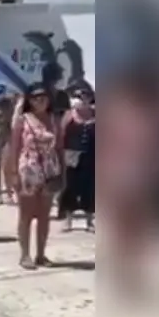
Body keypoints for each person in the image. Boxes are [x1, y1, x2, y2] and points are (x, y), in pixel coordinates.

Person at [9, 82, 64, 270]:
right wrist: (13, 174)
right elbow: (14, 148)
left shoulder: (54, 120)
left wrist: (62, 173)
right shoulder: (22, 120)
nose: (40, 100)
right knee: (26, 214)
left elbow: (59, 148)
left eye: (43, 96)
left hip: (49, 169)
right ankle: (25, 254)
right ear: (29, 100)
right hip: (28, 170)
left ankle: (41, 254)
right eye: (35, 96)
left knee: (44, 215)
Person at [59, 86, 96, 232]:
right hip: (71, 156)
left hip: (92, 155)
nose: (83, 100)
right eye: (80, 97)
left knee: (91, 188)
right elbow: (61, 134)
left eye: (85, 96)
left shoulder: (96, 114)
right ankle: (68, 220)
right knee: (70, 187)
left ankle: (89, 221)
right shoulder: (69, 115)